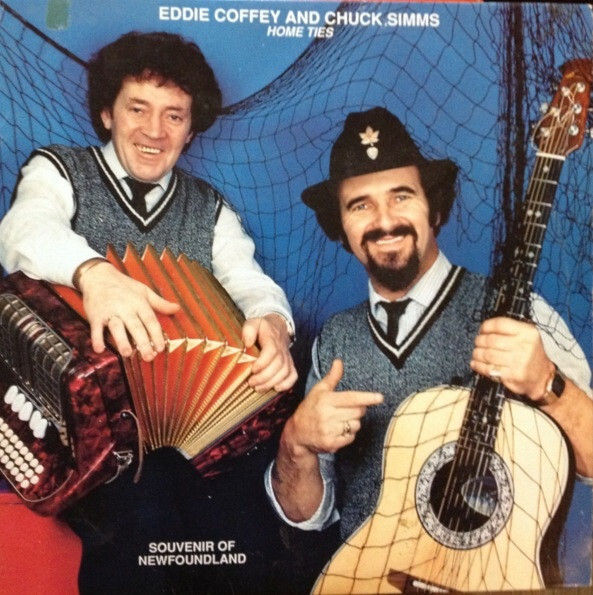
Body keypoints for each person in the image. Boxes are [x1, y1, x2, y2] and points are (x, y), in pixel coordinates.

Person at [0, 31, 297, 593]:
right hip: (76, 432)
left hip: (181, 438)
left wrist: (275, 326)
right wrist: (94, 275)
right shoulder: (59, 169)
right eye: (138, 109)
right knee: (150, 505)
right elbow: (22, 230)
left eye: (174, 116)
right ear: (107, 113)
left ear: (191, 128)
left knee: (242, 524)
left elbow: (251, 284)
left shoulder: (209, 209)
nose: (154, 131)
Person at [266, 107, 593, 586]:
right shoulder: (334, 341)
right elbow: (305, 515)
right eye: (360, 205)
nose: (384, 221)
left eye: (401, 196)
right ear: (341, 225)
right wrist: (295, 443)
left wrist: (549, 384)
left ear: (434, 208)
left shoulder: (518, 311)